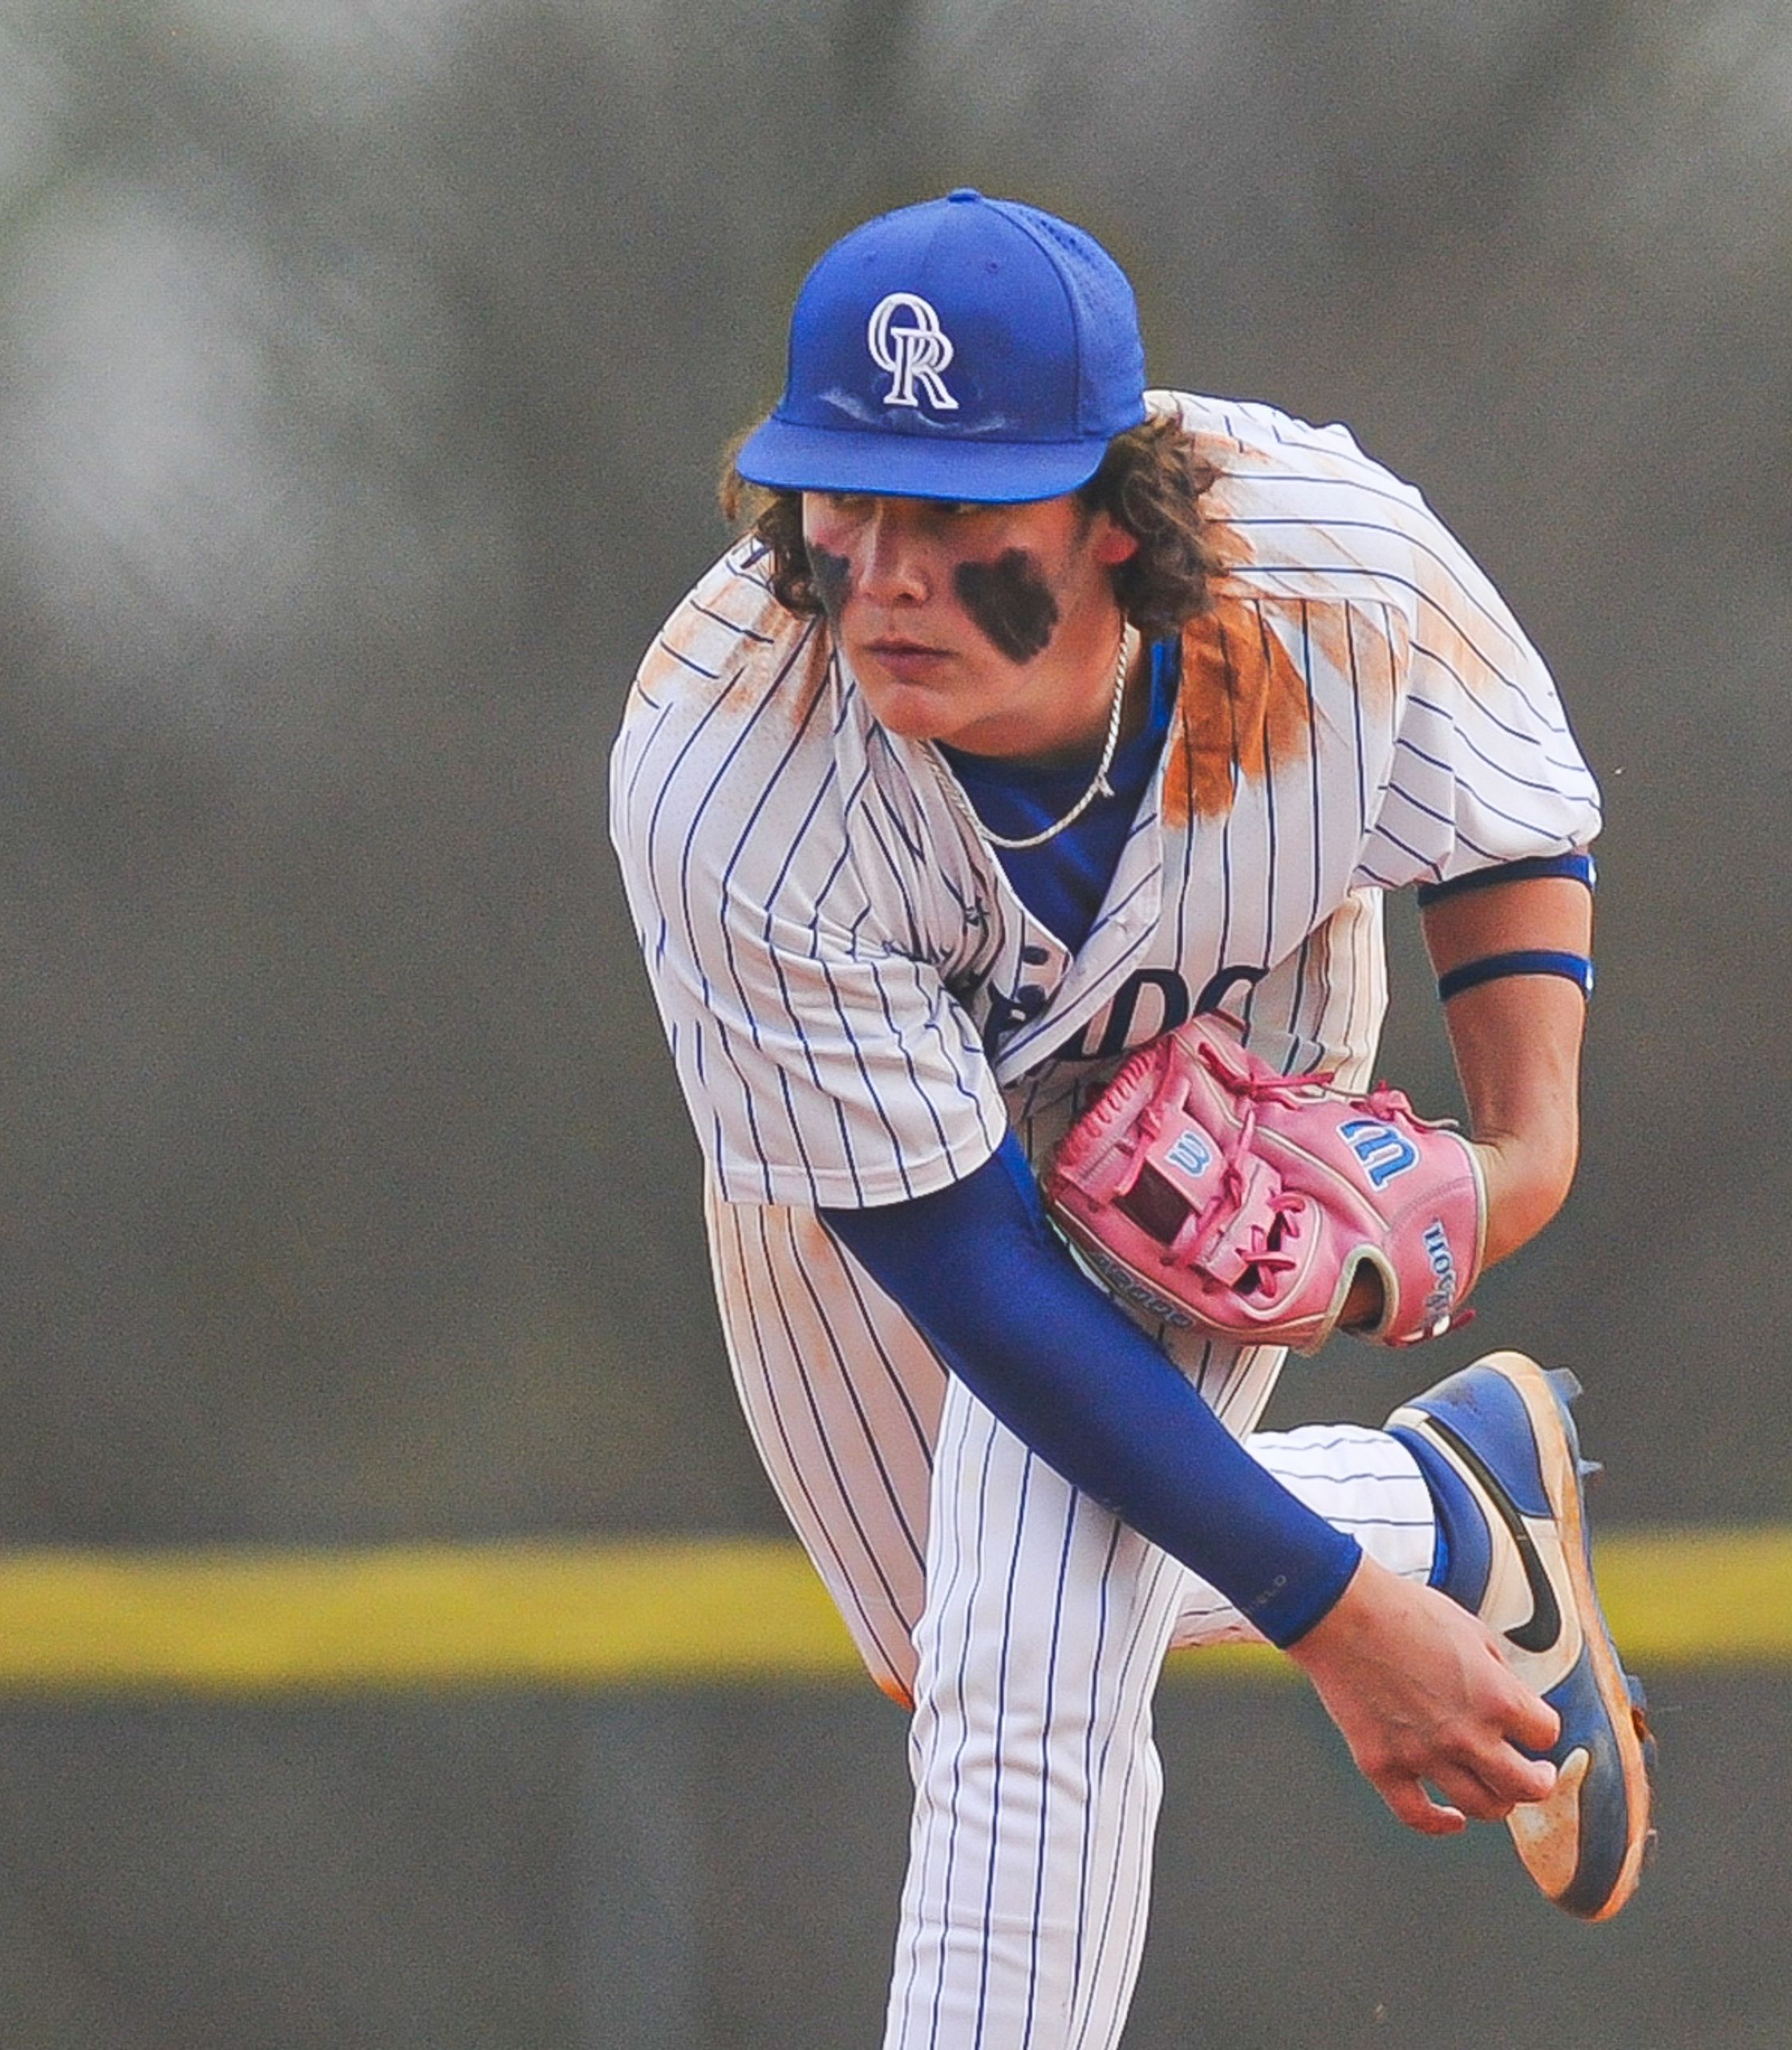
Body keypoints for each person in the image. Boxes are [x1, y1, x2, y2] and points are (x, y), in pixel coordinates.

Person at [610, 188, 1649, 2048]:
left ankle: (1405, 1527)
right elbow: (966, 1266)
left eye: (954, 515)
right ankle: (1432, 1510)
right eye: (842, 506)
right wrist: (1334, 1601)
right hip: (882, 1167)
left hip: (1224, 1078)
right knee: (952, 1642)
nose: (888, 574)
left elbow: (1503, 812)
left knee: (1028, 1664)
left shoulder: (1323, 563)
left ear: (1114, 517)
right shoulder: (725, 770)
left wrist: (1526, 1156)